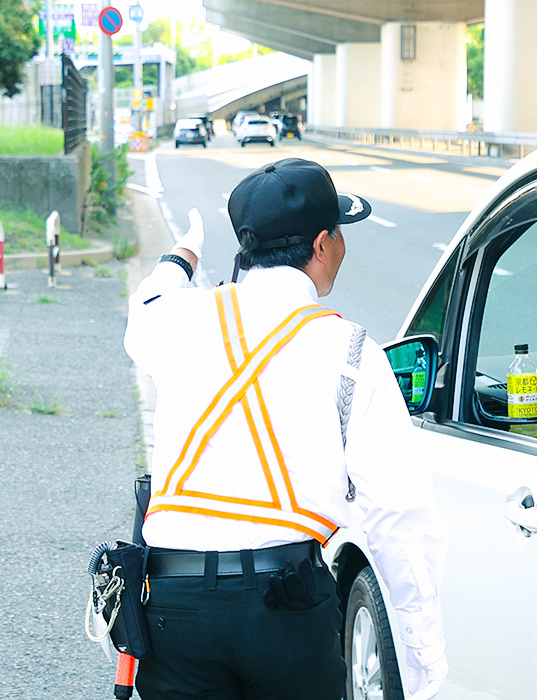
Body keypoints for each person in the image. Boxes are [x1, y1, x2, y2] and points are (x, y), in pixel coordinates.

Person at [124, 158, 447, 700]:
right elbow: (399, 515)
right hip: (286, 607)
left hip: (174, 607)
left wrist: (180, 257)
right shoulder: (352, 352)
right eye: (340, 234)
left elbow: (145, 310)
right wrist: (422, 656)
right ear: (322, 245)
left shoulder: (181, 318)